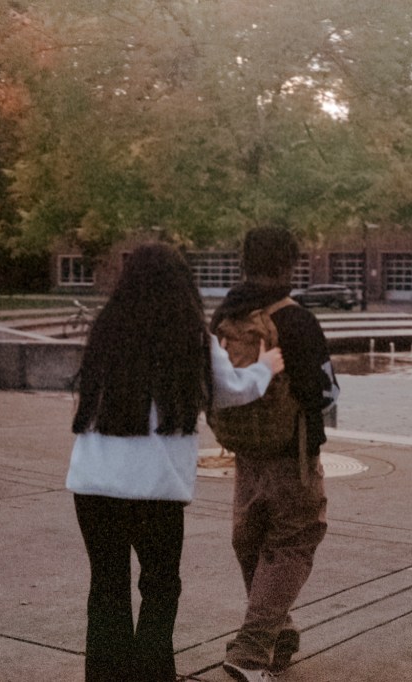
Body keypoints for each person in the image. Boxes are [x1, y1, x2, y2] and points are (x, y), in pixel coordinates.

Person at [65, 243, 284, 682]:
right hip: (156, 488)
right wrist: (265, 368)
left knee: (106, 587)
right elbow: (230, 390)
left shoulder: (107, 330)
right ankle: (152, 674)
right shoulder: (189, 337)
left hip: (94, 484)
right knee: (160, 587)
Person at [210, 227, 339, 682]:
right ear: (290, 264)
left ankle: (277, 632)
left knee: (253, 541)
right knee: (294, 542)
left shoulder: (227, 316)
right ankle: (250, 651)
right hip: (292, 454)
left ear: (244, 263)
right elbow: (325, 392)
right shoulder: (297, 320)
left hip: (244, 452)